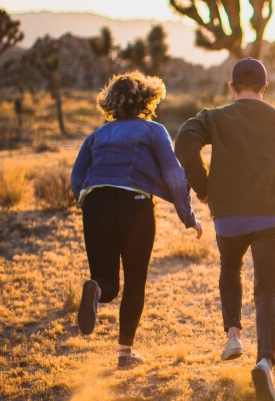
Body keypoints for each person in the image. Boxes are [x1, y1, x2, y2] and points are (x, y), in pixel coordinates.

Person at [174, 58, 275, 401]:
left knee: (230, 267)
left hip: (228, 216)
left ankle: (233, 336)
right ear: (264, 88)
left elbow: (184, 143)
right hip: (270, 216)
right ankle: (265, 363)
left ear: (232, 88)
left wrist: (204, 186)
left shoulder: (213, 117)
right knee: (267, 292)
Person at [71, 71, 202, 367]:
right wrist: (188, 216)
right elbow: (174, 176)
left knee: (108, 281)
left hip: (96, 202)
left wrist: (87, 203)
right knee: (134, 281)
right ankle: (124, 354)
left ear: (111, 102)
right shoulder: (153, 131)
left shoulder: (97, 135)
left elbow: (77, 176)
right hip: (135, 205)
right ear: (147, 99)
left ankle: (97, 290)